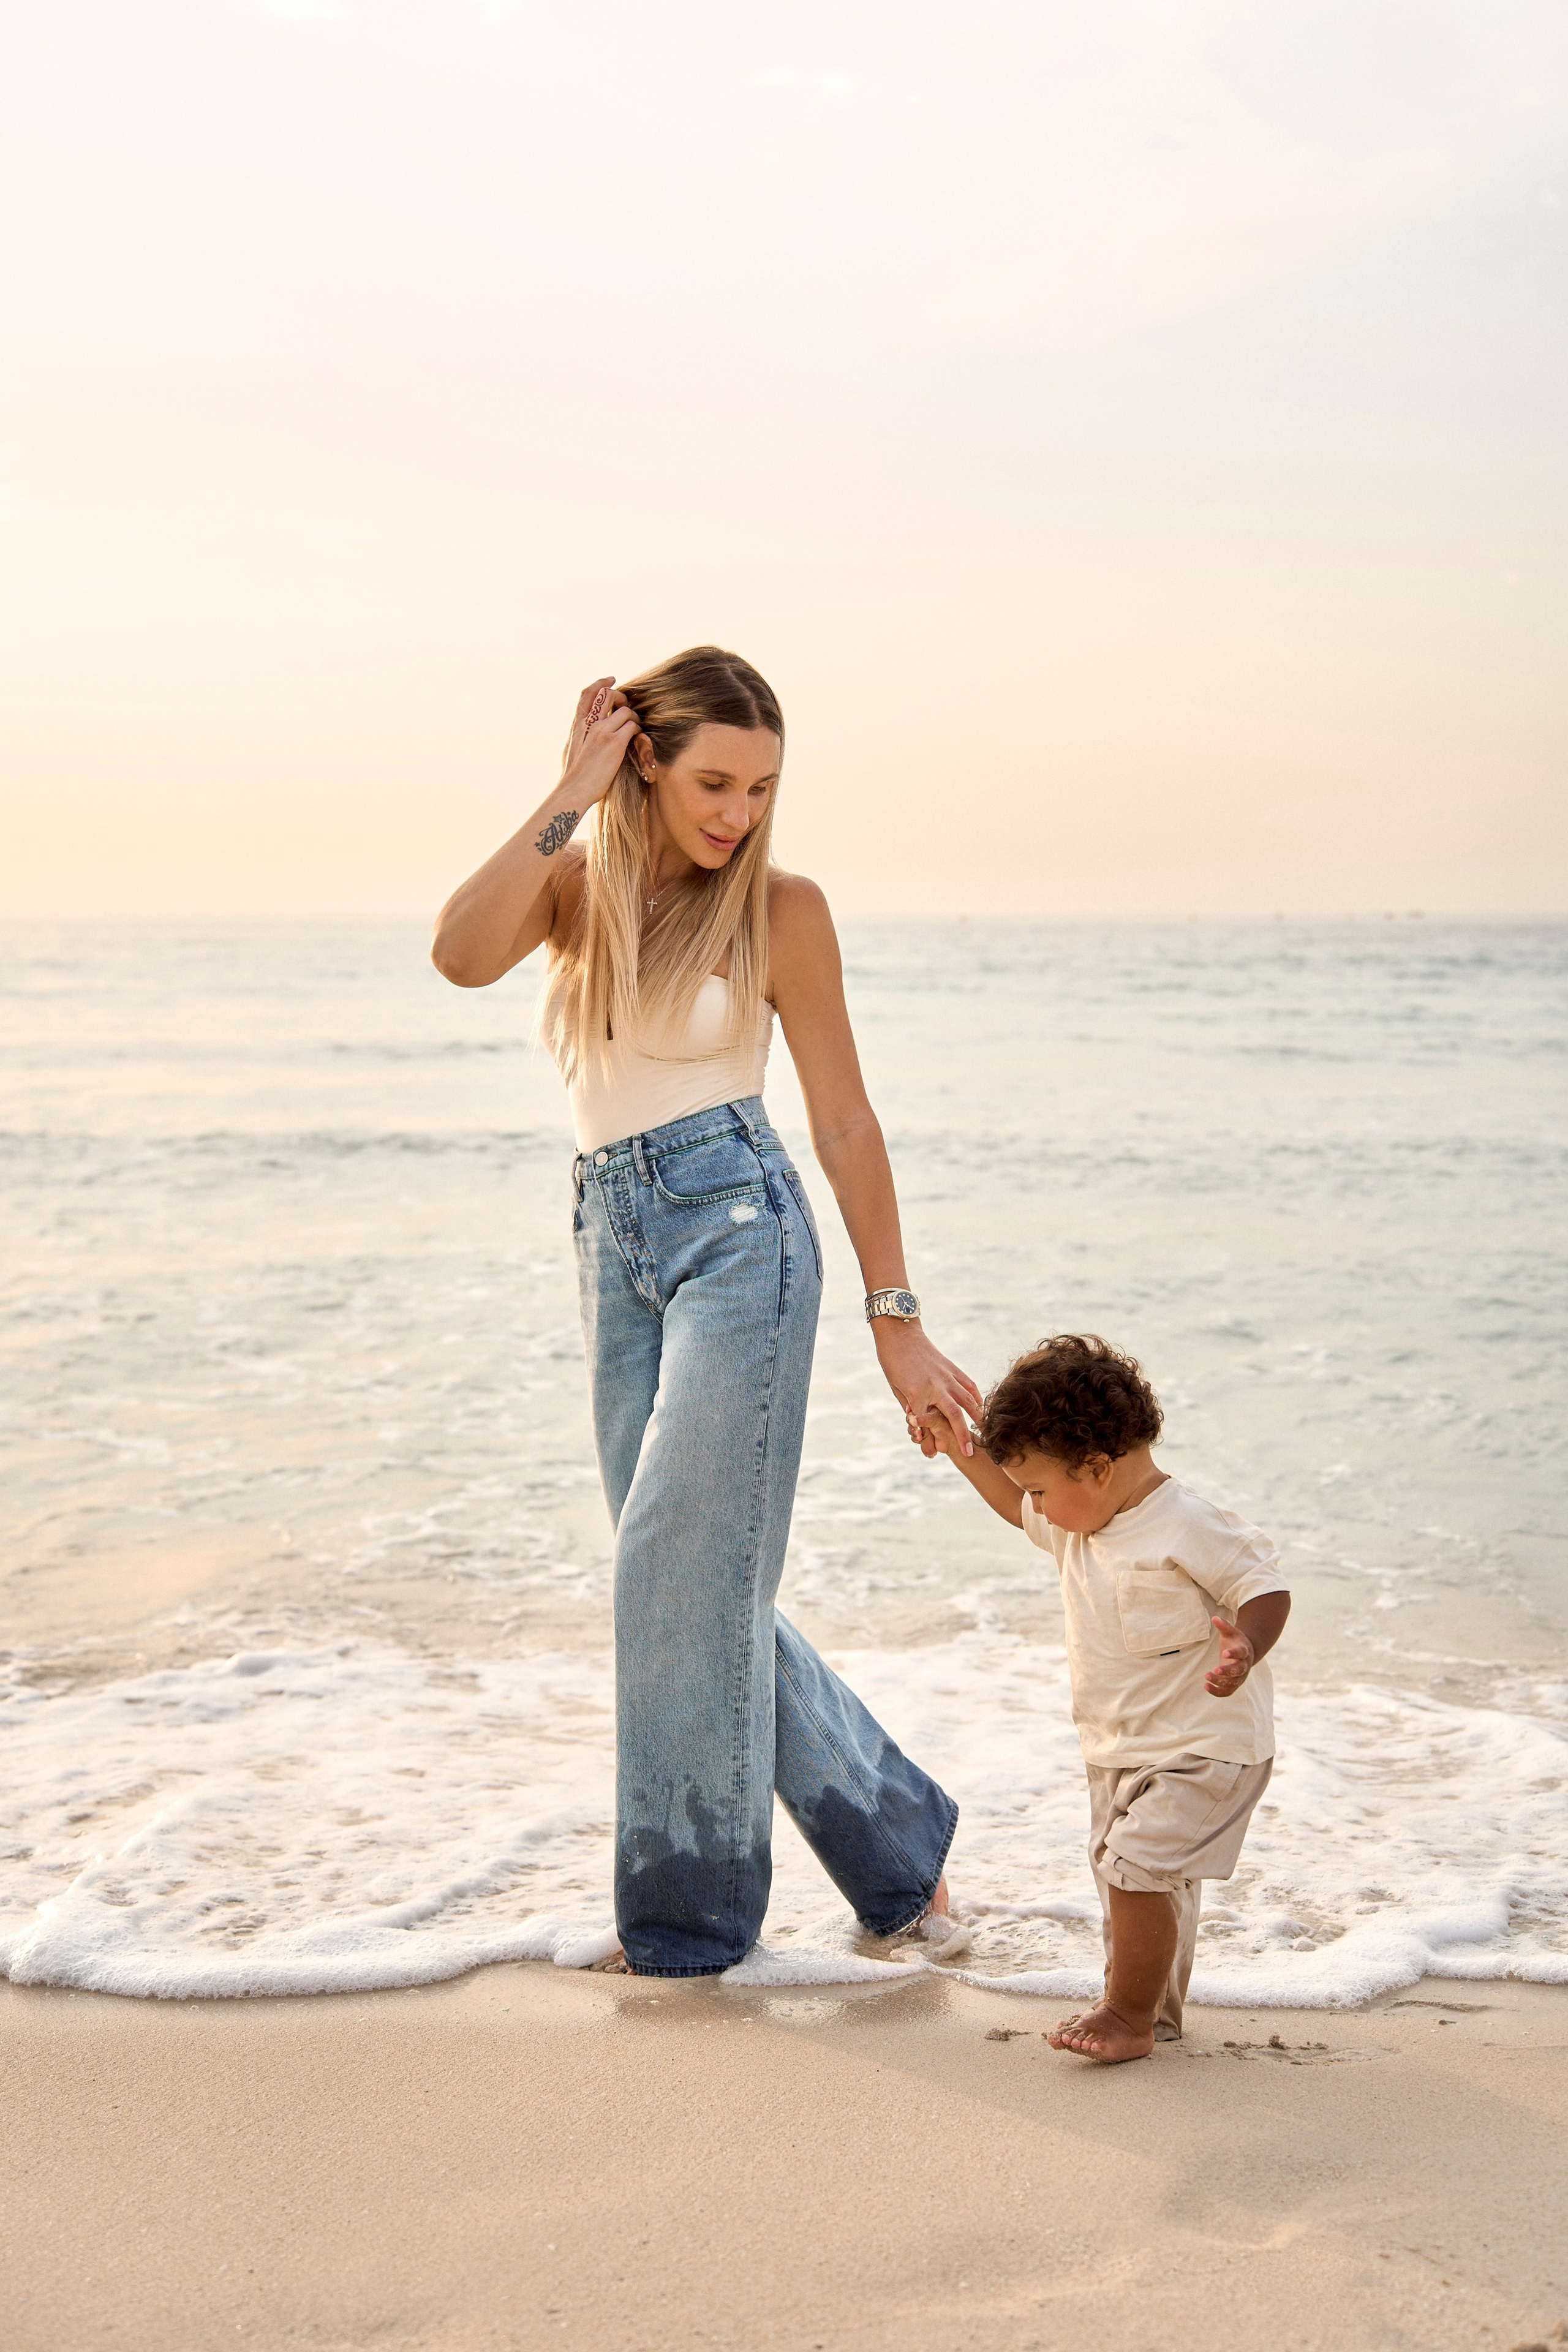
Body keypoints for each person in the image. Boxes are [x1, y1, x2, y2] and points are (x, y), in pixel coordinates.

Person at [431, 646, 979, 1977]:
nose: (736, 811)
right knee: (690, 1579)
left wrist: (893, 1316)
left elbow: (841, 1117)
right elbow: (457, 955)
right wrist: (568, 786)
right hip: (609, 1241)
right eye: (713, 781)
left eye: (761, 787)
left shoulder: (782, 908)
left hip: (744, 1234)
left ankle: (686, 1925)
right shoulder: (578, 890)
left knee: (674, 1572)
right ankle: (898, 1850)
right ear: (647, 765)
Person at [915, 1333, 1290, 2062]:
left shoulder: (1185, 1523)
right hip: (1119, 1749)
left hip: (1207, 1746)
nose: (1036, 1509)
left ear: (1096, 1465)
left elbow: (1263, 1584)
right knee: (1142, 1884)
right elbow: (1003, 1497)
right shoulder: (1078, 1525)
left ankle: (1126, 2015)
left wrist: (1247, 1644)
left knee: (1136, 1868)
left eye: (1041, 1490)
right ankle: (1159, 2011)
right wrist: (956, 1444)